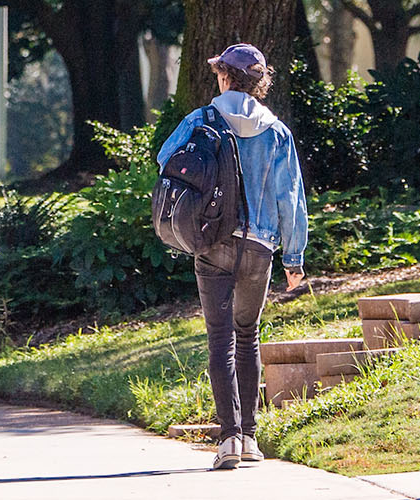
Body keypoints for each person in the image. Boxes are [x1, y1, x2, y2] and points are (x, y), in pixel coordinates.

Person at [153, 43, 310, 470]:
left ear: (224, 77)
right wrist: (294, 257)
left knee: (219, 338)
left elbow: (166, 159)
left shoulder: (202, 119)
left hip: (213, 241)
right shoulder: (277, 130)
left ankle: (229, 439)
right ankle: (253, 439)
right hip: (260, 248)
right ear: (258, 83)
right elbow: (290, 197)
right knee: (248, 335)